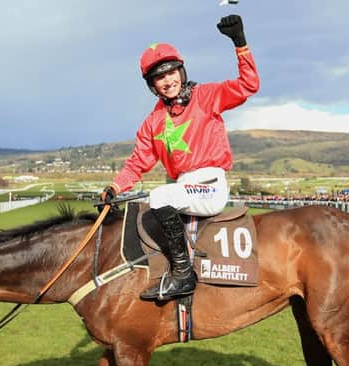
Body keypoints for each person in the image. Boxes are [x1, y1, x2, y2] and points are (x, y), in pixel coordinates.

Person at [101, 14, 260, 301]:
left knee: (161, 197)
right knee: (153, 203)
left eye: (171, 71)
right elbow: (137, 163)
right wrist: (114, 187)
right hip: (185, 188)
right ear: (152, 85)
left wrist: (240, 43)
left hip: (209, 184)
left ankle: (184, 275)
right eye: (159, 77)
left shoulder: (207, 96)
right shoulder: (153, 122)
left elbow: (249, 85)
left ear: (181, 71)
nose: (167, 80)